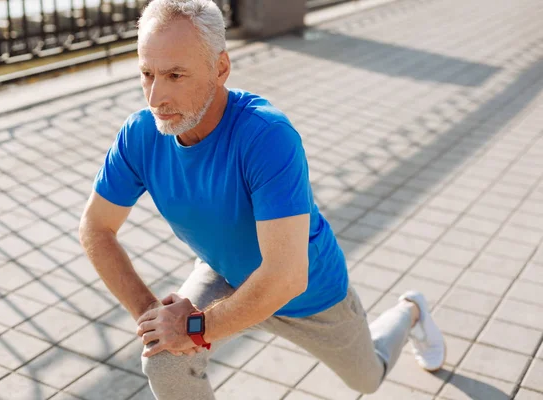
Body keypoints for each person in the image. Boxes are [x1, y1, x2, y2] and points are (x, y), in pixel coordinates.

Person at [78, 0, 446, 398]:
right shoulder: (139, 136)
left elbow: (285, 277)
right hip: (226, 274)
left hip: (308, 293)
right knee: (165, 358)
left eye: (175, 75)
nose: (155, 98)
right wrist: (154, 317)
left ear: (220, 68)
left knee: (368, 379)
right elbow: (96, 229)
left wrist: (195, 326)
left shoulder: (266, 135)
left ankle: (411, 311)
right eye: (147, 74)